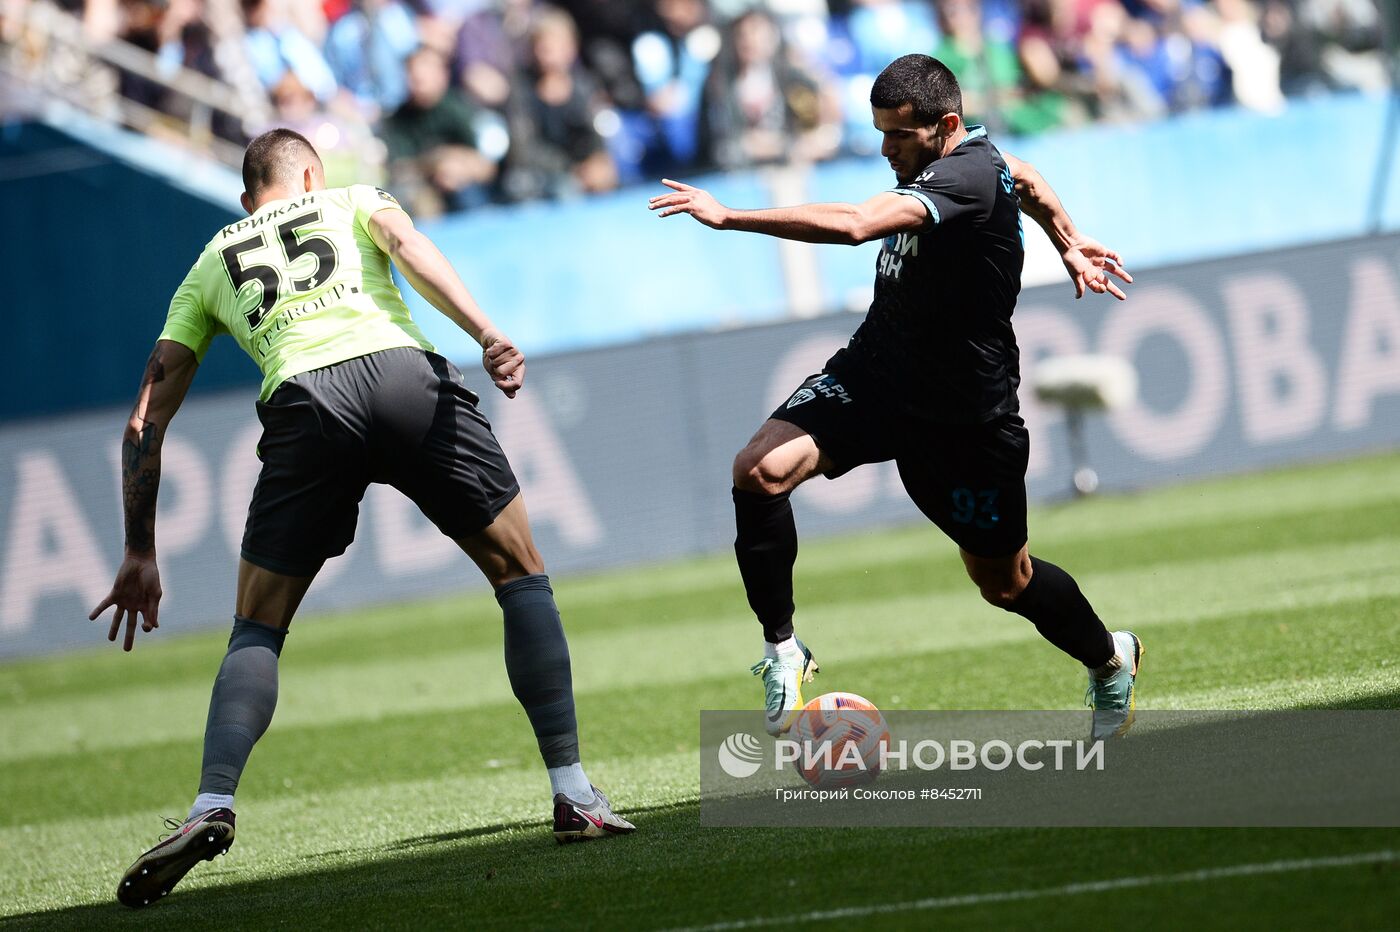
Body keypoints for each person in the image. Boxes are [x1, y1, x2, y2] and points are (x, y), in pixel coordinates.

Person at [91, 128, 634, 909]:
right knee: (521, 573)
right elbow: (408, 245)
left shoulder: (213, 259)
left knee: (258, 626)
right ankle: (574, 792)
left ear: (250, 197)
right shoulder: (350, 200)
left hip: (305, 402)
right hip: (402, 376)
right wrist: (484, 331)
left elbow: (145, 419)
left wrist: (139, 550)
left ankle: (212, 805)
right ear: (309, 174)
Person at [648, 53, 1140, 740]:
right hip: (876, 374)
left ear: (945, 125)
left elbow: (855, 223)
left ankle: (1110, 659)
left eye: (898, 137)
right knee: (757, 472)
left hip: (965, 417)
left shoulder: (964, 176)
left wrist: (730, 218)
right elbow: (1024, 177)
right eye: (880, 133)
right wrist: (1067, 240)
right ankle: (783, 650)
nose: (885, 150)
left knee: (1005, 582)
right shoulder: (977, 160)